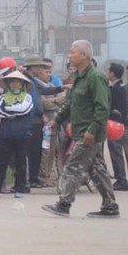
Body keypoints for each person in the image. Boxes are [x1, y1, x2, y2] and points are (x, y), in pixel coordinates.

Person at [43, 40, 119, 218]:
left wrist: (92, 131)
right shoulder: (78, 77)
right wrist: (57, 120)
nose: (70, 56)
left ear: (84, 55)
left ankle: (64, 204)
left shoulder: (96, 78)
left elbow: (102, 108)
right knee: (97, 169)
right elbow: (71, 103)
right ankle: (110, 206)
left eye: (73, 52)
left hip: (89, 133)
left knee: (72, 166)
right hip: (80, 131)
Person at [0, 71, 34, 197]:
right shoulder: (2, 97)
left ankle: (20, 187)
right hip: (6, 134)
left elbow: (24, 109)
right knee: (2, 162)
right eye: (11, 81)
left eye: (17, 81)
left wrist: (9, 109)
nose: (14, 84)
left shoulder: (27, 97)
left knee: (20, 162)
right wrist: (13, 110)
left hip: (22, 134)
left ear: (22, 83)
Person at [36, 60, 67, 187]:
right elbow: (46, 104)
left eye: (49, 72)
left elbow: (64, 97)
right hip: (45, 119)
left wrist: (53, 99)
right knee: (46, 150)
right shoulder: (37, 86)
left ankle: (50, 175)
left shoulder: (51, 85)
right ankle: (43, 176)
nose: (48, 74)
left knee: (55, 148)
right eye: (45, 72)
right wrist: (56, 99)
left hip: (55, 118)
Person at [21, 56, 48, 188]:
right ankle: (30, 178)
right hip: (30, 121)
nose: (41, 69)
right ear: (32, 68)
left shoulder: (34, 81)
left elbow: (45, 90)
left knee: (36, 150)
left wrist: (61, 88)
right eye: (39, 67)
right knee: (31, 151)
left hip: (36, 120)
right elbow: (33, 102)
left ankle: (33, 178)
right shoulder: (25, 81)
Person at [106, 62, 128, 191]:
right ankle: (120, 178)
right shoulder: (117, 87)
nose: (107, 73)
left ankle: (121, 179)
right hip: (115, 124)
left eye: (108, 71)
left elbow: (116, 108)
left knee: (116, 152)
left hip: (115, 124)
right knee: (115, 151)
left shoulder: (118, 89)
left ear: (113, 73)